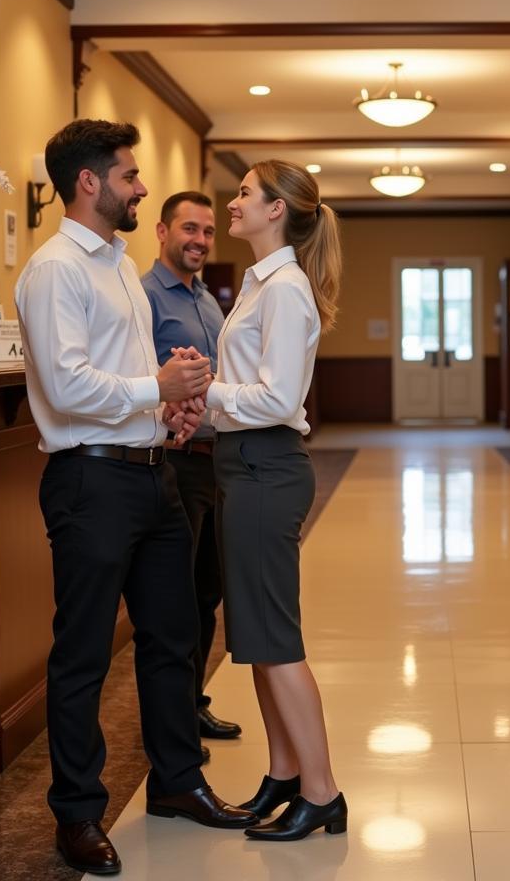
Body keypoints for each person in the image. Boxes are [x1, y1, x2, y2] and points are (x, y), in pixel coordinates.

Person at [15, 120, 257, 877]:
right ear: (89, 182)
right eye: (129, 174)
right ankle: (78, 814)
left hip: (152, 473)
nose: (141, 185)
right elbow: (66, 385)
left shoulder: (118, 264)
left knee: (174, 634)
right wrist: (155, 387)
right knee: (84, 652)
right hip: (89, 480)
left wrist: (169, 410)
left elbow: (122, 374)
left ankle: (178, 783)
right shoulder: (55, 270)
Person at [168, 160, 345, 841]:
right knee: (255, 638)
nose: (232, 202)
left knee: (277, 640)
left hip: (268, 468)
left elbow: (276, 398)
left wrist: (199, 390)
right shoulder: (257, 285)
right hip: (243, 465)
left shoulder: (287, 290)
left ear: (277, 210)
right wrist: (205, 395)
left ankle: (322, 790)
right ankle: (285, 772)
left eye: (244, 193)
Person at [140, 191, 242, 746]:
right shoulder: (144, 297)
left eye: (207, 231)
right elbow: (138, 373)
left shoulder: (208, 302)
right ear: (161, 231)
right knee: (174, 600)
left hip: (212, 464)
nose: (200, 240)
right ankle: (172, 721)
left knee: (207, 594)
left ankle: (193, 703)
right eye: (189, 229)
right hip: (172, 463)